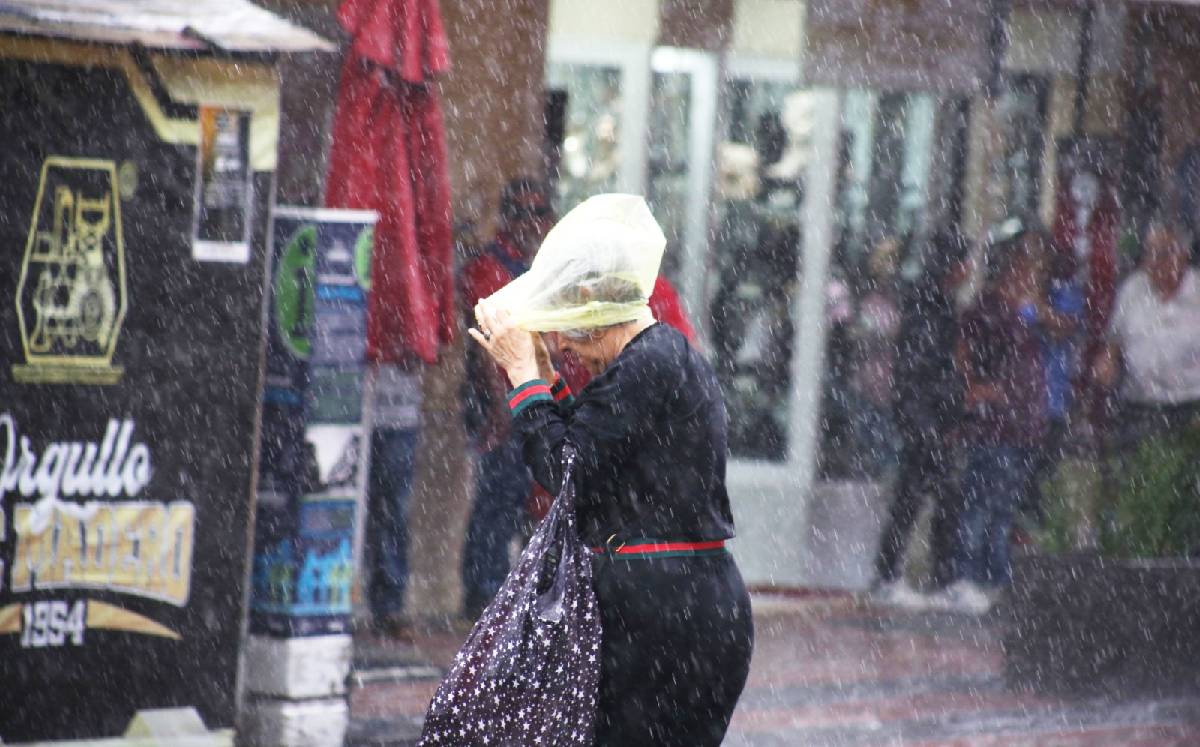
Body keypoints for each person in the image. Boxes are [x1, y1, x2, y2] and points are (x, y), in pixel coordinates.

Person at [469, 194, 753, 745]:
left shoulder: (649, 362)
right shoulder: (659, 358)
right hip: (691, 603)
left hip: (663, 613)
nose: (574, 347)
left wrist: (525, 377)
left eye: (570, 331)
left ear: (590, 310)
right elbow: (596, 447)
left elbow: (567, 468)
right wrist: (545, 380)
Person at [940, 229, 1057, 614]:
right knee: (981, 503)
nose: (1029, 280)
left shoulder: (1028, 311)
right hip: (995, 426)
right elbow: (963, 347)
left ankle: (994, 578)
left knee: (1004, 506)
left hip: (1023, 424)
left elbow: (1061, 329)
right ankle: (966, 576)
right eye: (1025, 271)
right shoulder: (988, 307)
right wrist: (975, 387)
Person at [459, 178, 556, 618]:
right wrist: (500, 407)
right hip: (502, 402)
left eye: (537, 213)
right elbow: (486, 345)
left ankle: (509, 599)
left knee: (527, 500)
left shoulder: (541, 269)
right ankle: (484, 596)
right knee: (498, 499)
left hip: (535, 400)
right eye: (519, 213)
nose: (529, 224)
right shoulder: (489, 268)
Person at [870, 229, 970, 607]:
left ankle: (930, 576)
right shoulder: (930, 304)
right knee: (926, 494)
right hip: (921, 415)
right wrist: (935, 410)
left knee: (929, 495)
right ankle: (909, 576)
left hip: (927, 414)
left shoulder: (935, 301)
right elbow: (924, 365)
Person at [1093, 220, 1200, 458]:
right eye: (1148, 253)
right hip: (1140, 407)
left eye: (1161, 254)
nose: (1152, 262)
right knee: (1138, 481)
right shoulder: (1133, 289)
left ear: (1182, 254)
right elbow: (1114, 341)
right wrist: (1107, 361)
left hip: (1189, 410)